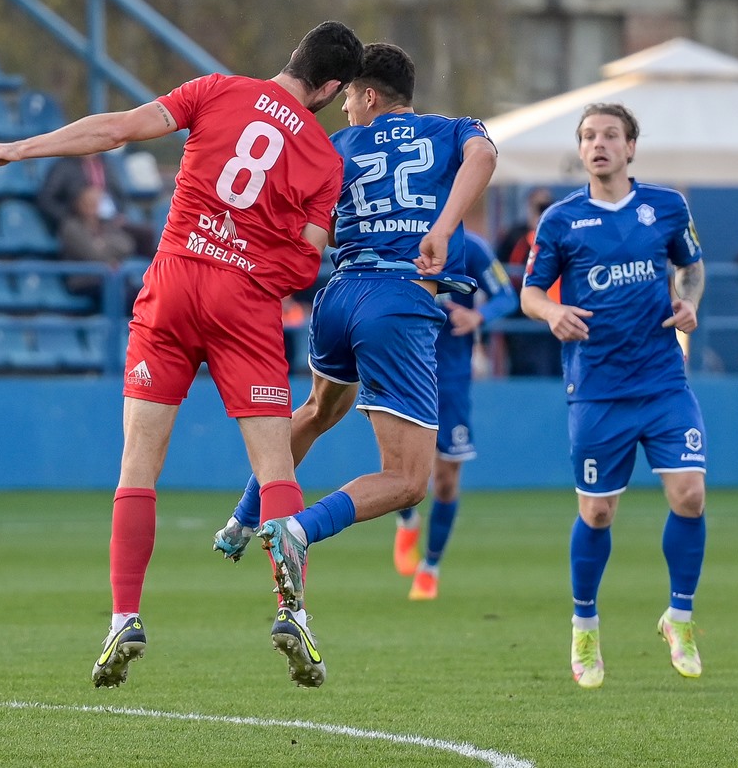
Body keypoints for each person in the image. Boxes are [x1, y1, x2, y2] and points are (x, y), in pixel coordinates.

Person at [0, 20, 363, 689]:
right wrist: (259, 257)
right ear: (329, 88)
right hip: (245, 303)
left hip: (173, 283)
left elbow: (116, 128)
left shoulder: (216, 88)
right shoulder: (324, 159)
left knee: (139, 464)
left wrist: (20, 148)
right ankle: (292, 610)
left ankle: (123, 616)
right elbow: (305, 259)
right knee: (274, 467)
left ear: (291, 58)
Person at [210, 42, 498, 631]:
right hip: (398, 302)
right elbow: (485, 157)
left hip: (337, 297)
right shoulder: (451, 131)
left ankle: (243, 517)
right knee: (409, 481)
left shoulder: (332, 147)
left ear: (370, 96)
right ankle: (299, 529)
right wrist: (441, 226)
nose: (343, 110)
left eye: (347, 98)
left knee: (316, 409)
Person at [519, 102, 708, 689]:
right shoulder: (560, 221)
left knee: (691, 496)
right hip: (597, 388)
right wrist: (551, 311)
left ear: (631, 147)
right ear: (580, 151)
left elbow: (692, 269)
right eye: (587, 136)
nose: (597, 144)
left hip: (661, 380)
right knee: (597, 511)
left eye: (609, 135)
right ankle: (584, 625)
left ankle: (679, 616)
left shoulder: (667, 207)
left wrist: (688, 302)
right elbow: (528, 292)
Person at [392, 228, 517, 600]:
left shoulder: (472, 247)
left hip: (451, 376)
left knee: (445, 478)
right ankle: (406, 520)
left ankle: (430, 567)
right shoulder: (401, 233)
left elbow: (506, 295)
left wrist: (479, 317)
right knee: (398, 468)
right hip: (402, 366)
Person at [502, 188, 561, 376]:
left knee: (556, 370)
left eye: (547, 206)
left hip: (556, 315)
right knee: (525, 370)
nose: (543, 210)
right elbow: (504, 271)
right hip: (523, 316)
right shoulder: (516, 236)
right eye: (539, 206)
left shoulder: (560, 234)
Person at [57, 184, 139, 299]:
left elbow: (127, 245)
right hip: (85, 278)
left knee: (141, 293)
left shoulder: (105, 224)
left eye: (96, 202)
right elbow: (93, 254)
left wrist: (102, 243)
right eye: (88, 202)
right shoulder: (71, 227)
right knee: (121, 294)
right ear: (79, 204)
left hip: (109, 277)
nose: (92, 206)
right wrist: (110, 257)